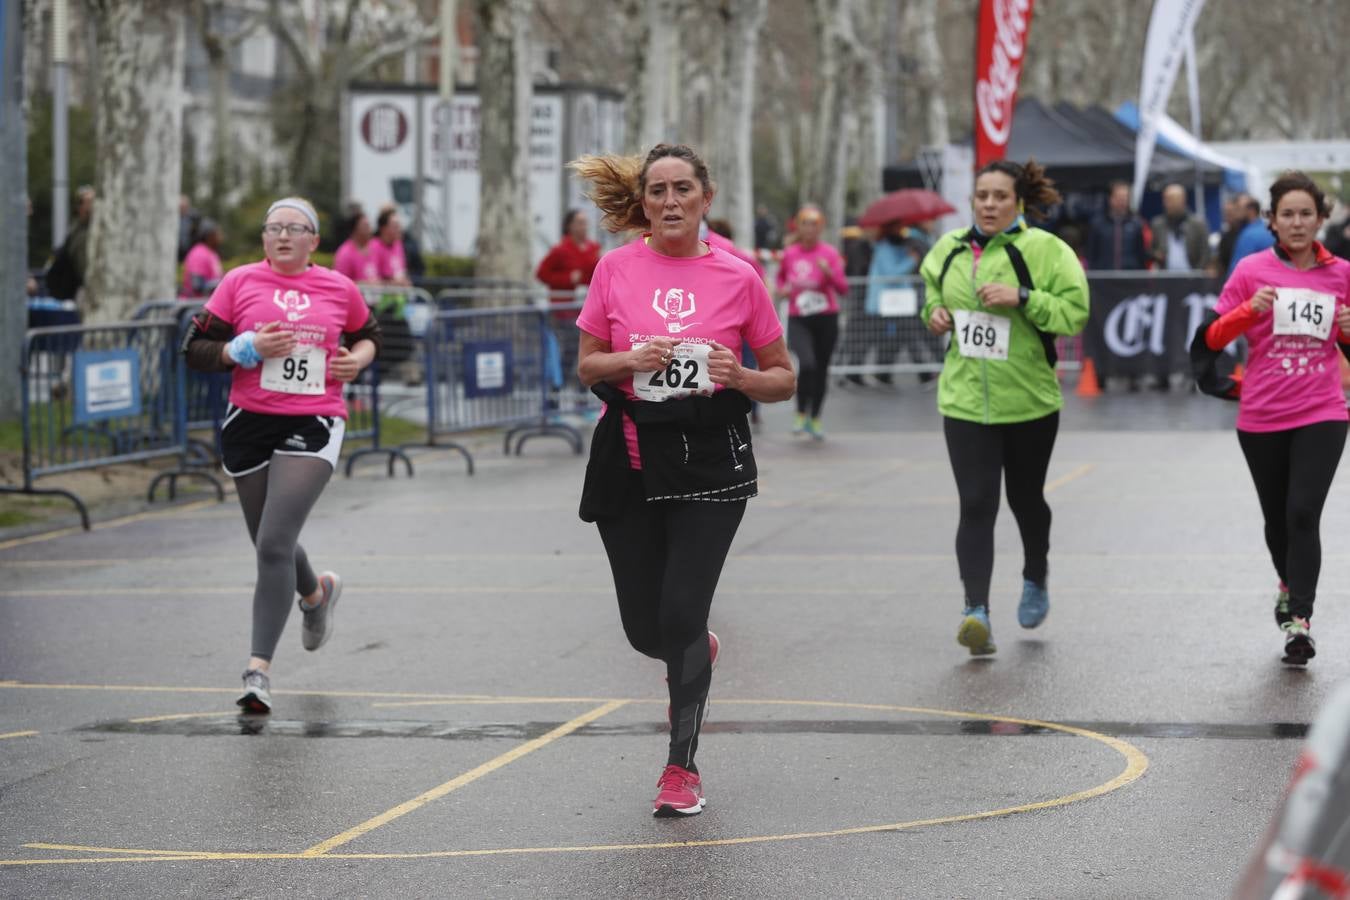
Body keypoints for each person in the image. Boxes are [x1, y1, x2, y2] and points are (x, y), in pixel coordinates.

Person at [570, 143, 795, 817]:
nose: (670, 201)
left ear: (706, 197)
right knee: (647, 631)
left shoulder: (738, 275)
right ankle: (696, 647)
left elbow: (783, 378)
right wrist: (627, 359)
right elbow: (586, 367)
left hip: (709, 461)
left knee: (679, 615)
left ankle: (680, 768)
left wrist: (742, 376)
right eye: (658, 190)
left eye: (682, 189)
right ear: (642, 202)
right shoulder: (614, 269)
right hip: (630, 460)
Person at [181, 196, 382, 712]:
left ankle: (257, 672)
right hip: (248, 422)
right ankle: (315, 596)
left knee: (272, 542)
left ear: (315, 241)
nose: (283, 236)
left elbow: (368, 335)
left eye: (296, 228)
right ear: (264, 239)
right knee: (270, 538)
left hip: (313, 421)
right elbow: (194, 350)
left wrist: (355, 361)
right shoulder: (239, 282)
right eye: (274, 228)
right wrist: (241, 350)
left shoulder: (338, 287)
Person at [920, 159, 1089, 656]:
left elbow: (1075, 313)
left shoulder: (1046, 250)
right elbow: (930, 291)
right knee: (976, 504)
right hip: (964, 400)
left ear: (1018, 202)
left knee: (1026, 500)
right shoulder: (948, 250)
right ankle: (977, 612)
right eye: (982, 196)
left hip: (1030, 402)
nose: (989, 204)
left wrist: (1023, 297)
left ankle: (1035, 574)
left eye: (999, 196)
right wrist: (934, 313)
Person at [1190, 172, 1350, 665]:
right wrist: (1247, 312)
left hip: (1323, 409)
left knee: (1304, 512)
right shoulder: (1251, 270)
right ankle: (1287, 580)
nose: (1297, 223)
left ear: (1321, 219)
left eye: (1306, 214)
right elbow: (1210, 340)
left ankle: (1300, 620)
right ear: (1273, 221)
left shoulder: (1341, 272)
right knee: (1278, 519)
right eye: (1288, 214)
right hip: (1261, 413)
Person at [776, 205, 849, 438]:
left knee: (821, 369)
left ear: (820, 228)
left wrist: (829, 274)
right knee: (807, 363)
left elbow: (843, 288)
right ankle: (800, 413)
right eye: (805, 224)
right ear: (799, 227)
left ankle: (815, 417)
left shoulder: (829, 253)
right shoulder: (790, 253)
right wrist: (782, 289)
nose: (809, 230)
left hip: (826, 316)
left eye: (814, 225)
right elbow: (780, 279)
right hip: (800, 317)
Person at [45, 185, 94, 304]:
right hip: (77, 293)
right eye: (90, 202)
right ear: (80, 207)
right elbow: (83, 270)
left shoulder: (78, 229)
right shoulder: (80, 234)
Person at [536, 209, 602, 294]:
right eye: (580, 223)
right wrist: (567, 278)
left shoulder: (594, 247)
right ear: (570, 226)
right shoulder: (560, 249)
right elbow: (541, 274)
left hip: (588, 300)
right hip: (565, 303)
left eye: (585, 223)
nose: (584, 227)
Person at [1085, 181, 1148, 271]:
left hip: (1131, 277)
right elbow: (1091, 253)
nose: (1122, 201)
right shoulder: (1097, 224)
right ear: (1111, 198)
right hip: (1103, 277)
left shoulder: (1136, 224)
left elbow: (1141, 254)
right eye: (1119, 197)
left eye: (1125, 198)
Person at [1150, 183, 1211, 272]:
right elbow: (1152, 249)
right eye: (1165, 199)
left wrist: (1197, 273)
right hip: (1165, 278)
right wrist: (1157, 254)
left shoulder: (1198, 224)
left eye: (1170, 199)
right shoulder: (1158, 224)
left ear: (1182, 200)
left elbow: (1206, 253)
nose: (1166, 203)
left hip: (1193, 278)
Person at [1228, 194, 1276, 275]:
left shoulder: (1249, 235)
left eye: (1238, 209)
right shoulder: (1268, 230)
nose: (1235, 213)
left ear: (1251, 211)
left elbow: (1235, 271)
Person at [179, 219, 225, 299]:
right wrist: (221, 284)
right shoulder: (198, 253)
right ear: (209, 236)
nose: (221, 236)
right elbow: (197, 285)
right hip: (195, 305)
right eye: (218, 233)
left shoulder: (212, 253)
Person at [333, 210, 381, 284]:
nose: (369, 230)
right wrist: (364, 284)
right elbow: (340, 283)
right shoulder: (345, 253)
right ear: (355, 230)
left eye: (369, 226)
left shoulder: (375, 246)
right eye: (365, 226)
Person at [371, 206, 412, 286]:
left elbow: (402, 271)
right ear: (384, 228)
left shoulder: (398, 244)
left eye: (399, 226)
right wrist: (394, 283)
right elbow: (373, 279)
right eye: (395, 226)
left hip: (400, 295)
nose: (399, 229)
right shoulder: (373, 247)